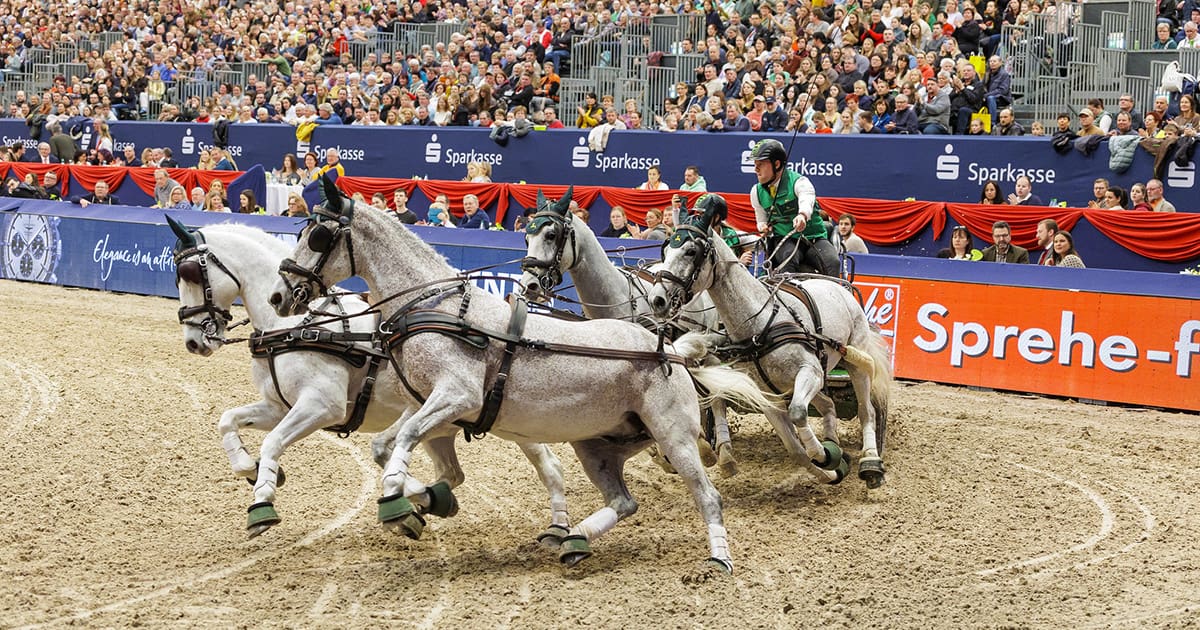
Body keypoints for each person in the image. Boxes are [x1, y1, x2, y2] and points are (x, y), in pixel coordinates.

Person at [748, 138, 840, 276]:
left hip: (813, 237)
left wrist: (802, 215)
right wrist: (762, 227)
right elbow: (761, 219)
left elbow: (806, 199)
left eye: (760, 164)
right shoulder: (756, 192)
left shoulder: (799, 182)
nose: (756, 169)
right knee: (788, 260)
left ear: (777, 164)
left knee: (833, 263)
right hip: (784, 239)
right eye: (755, 164)